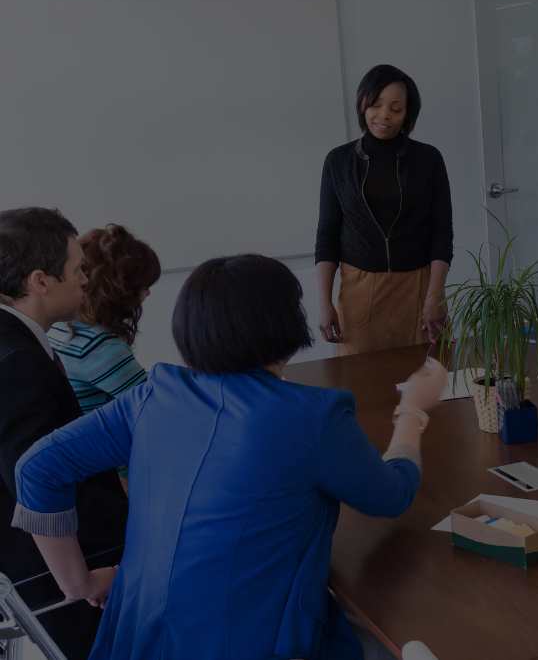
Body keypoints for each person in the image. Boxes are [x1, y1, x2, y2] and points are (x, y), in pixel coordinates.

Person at [12, 253, 447, 660]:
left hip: (136, 639)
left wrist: (80, 582)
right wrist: (412, 411)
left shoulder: (155, 395)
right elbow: (391, 495)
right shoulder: (312, 417)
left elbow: (38, 467)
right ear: (283, 324)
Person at [0, 207, 128, 660]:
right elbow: (33, 481)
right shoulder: (16, 361)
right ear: (40, 281)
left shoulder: (19, 342)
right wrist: (82, 582)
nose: (87, 280)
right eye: (78, 270)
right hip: (62, 576)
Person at [315, 64, 453, 355]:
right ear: (362, 104)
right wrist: (324, 302)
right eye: (375, 105)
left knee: (429, 376)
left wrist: (435, 296)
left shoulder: (428, 159)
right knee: (359, 378)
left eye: (396, 108)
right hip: (359, 291)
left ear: (408, 113)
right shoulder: (338, 161)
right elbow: (327, 235)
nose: (384, 115)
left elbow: (442, 232)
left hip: (419, 289)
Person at [49, 224, 160, 416]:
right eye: (143, 285)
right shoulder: (98, 347)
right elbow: (154, 405)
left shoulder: (58, 325)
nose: (148, 293)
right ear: (120, 291)